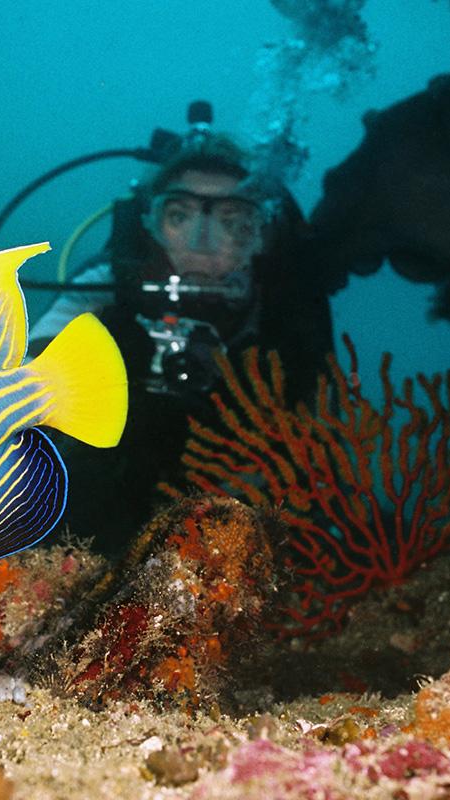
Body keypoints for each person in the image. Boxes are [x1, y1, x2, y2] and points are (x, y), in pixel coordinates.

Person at [29, 133, 333, 554]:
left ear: (259, 235)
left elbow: (317, 441)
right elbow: (31, 365)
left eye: (231, 222)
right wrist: (102, 367)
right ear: (150, 223)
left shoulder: (282, 313)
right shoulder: (109, 285)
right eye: (180, 216)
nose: (201, 243)